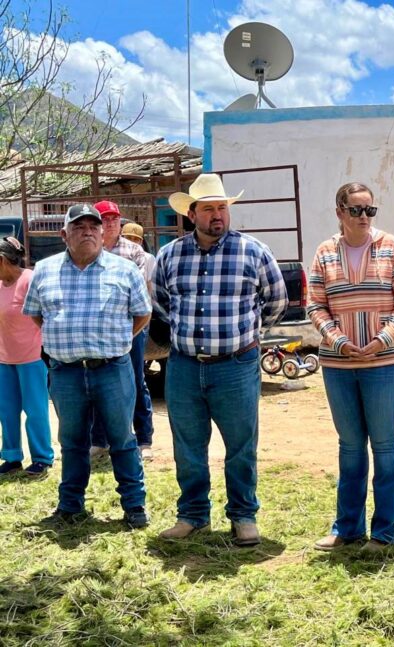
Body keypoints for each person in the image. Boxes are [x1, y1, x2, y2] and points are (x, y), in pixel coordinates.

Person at [153, 173, 287, 546]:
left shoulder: (254, 252)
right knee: (188, 445)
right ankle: (193, 515)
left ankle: (243, 516)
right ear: (191, 214)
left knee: (241, 445)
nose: (217, 215)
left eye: (222, 208)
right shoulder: (170, 255)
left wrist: (245, 335)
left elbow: (276, 302)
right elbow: (161, 303)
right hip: (183, 367)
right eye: (209, 208)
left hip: (236, 366)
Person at [22, 204, 151, 528]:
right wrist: (65, 341)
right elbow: (36, 313)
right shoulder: (45, 270)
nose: (88, 232)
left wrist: (114, 342)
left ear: (103, 231)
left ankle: (134, 506)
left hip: (112, 369)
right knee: (73, 441)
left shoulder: (124, 270)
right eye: (79, 227)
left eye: (94, 226)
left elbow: (142, 314)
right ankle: (70, 505)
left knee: (122, 439)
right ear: (64, 234)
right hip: (65, 372)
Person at [308, 182, 394, 554]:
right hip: (338, 364)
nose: (364, 218)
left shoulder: (391, 246)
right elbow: (315, 305)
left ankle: (384, 533)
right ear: (339, 212)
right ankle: (347, 528)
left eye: (370, 210)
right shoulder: (325, 252)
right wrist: (338, 340)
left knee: (385, 445)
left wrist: (382, 340)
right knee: (350, 447)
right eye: (356, 210)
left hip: (383, 362)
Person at [89, 201, 154, 462]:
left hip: (132, 327)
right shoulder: (88, 251)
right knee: (98, 382)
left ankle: (144, 439)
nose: (111, 223)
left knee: (135, 379)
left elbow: (134, 289)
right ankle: (99, 441)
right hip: (98, 329)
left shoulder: (135, 251)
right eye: (105, 219)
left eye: (115, 218)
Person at [0, 236, 54, 478]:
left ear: (2, 260)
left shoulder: (30, 280)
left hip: (32, 358)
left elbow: (46, 316)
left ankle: (42, 458)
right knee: (7, 410)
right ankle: (11, 457)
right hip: (4, 359)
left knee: (35, 410)